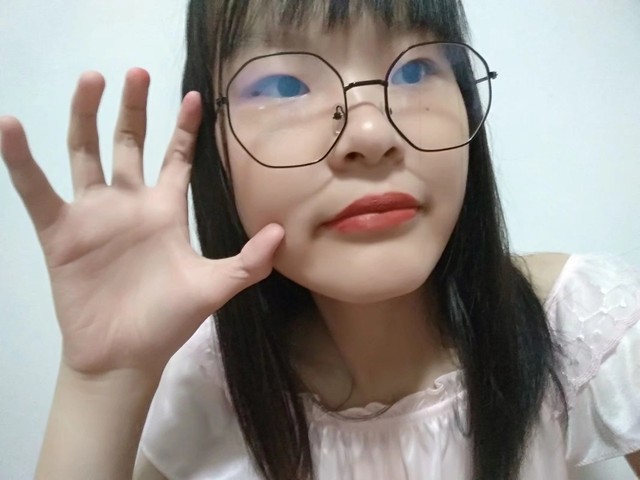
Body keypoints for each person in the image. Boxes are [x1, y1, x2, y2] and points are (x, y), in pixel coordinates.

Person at [1, 0, 639, 479]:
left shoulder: (586, 323)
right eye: (285, 85)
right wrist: (103, 382)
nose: (371, 133)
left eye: (416, 68)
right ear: (211, 151)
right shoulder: (211, 384)